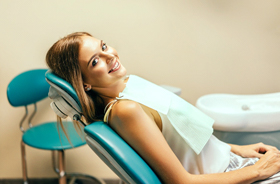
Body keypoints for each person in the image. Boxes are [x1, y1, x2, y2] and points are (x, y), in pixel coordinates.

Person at [46, 32, 280, 183]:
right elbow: (181, 182)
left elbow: (183, 135)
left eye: (104, 46)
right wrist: (259, 171)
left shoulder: (130, 84)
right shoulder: (124, 111)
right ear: (84, 83)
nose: (110, 56)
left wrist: (236, 149)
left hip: (231, 162)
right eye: (95, 61)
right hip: (224, 177)